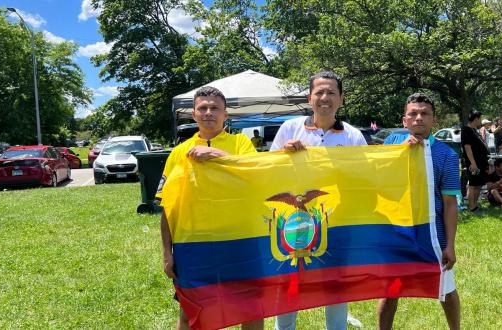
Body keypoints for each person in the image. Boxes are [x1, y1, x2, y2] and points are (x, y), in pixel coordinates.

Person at [156, 86, 261, 330]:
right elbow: (167, 208)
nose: (208, 113)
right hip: (194, 245)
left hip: (240, 242)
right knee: (190, 313)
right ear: (194, 114)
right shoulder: (179, 152)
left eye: (215, 108)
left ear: (226, 115)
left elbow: (256, 175)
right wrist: (166, 253)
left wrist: (215, 153)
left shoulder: (241, 143)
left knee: (251, 310)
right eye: (202, 108)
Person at [270, 71, 367, 330]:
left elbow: (364, 178)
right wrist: (283, 155)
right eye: (319, 92)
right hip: (296, 219)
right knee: (290, 278)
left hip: (338, 220)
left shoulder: (354, 136)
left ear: (341, 99)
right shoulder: (289, 129)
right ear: (309, 97)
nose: (325, 98)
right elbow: (267, 172)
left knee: (336, 281)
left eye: (331, 92)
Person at [378, 93, 461, 330]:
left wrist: (450, 245)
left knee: (445, 289)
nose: (418, 118)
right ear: (404, 120)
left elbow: (449, 202)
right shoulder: (391, 143)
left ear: (434, 120)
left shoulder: (447, 155)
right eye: (413, 114)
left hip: (432, 234)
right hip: (397, 232)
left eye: (424, 113)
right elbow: (377, 179)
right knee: (390, 291)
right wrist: (399, 155)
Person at [461, 111, 489, 214]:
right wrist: (473, 163)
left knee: (478, 184)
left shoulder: (474, 130)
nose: (480, 121)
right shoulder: (466, 130)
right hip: (474, 163)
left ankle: (475, 205)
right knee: (473, 185)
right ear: (476, 119)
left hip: (481, 162)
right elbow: (467, 147)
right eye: (480, 118)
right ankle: (472, 207)